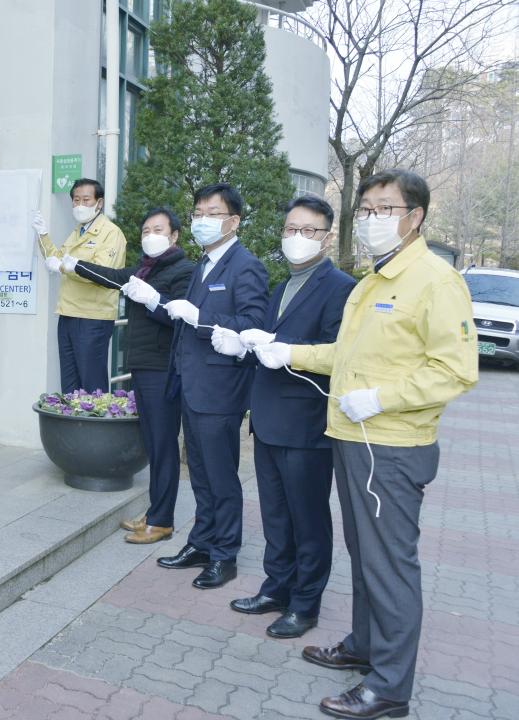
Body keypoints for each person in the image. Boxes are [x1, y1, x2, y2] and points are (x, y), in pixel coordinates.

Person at [255, 170, 478, 719]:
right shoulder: (374, 280)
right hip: (354, 438)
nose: (373, 218)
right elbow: (345, 355)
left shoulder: (435, 281)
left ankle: (389, 688)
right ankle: (364, 645)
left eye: (385, 208)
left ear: (414, 217)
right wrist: (288, 352)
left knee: (390, 565)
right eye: (368, 209)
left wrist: (381, 398)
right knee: (365, 556)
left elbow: (456, 370)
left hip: (391, 447)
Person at [211, 196, 355, 638]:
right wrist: (244, 345)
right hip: (270, 420)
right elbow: (271, 344)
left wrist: (286, 350)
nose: (297, 237)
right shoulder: (282, 286)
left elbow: (340, 353)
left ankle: (305, 604)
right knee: (276, 515)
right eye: (291, 229)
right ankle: (276, 587)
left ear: (326, 238)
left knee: (307, 519)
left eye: (308, 230)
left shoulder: (340, 288)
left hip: (306, 425)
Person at [156, 182, 268, 590]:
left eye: (213, 213)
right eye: (198, 213)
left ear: (233, 221)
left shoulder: (246, 265)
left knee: (221, 476)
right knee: (201, 474)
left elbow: (253, 323)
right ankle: (202, 542)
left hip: (220, 390)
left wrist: (200, 317)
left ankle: (225, 554)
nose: (202, 220)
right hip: (191, 384)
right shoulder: (203, 263)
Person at [64, 207, 194, 544]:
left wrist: (154, 301)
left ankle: (162, 521)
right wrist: (75, 265)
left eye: (158, 230)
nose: (150, 235)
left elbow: (180, 319)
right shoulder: (144, 269)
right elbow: (112, 276)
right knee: (152, 442)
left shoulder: (183, 271)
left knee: (163, 444)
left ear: (175, 235)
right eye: (146, 230)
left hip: (163, 368)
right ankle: (155, 511)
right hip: (142, 366)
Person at [32, 178, 127, 394]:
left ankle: (97, 418)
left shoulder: (111, 233)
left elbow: (101, 273)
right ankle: (72, 417)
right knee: (70, 384)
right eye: (76, 200)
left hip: (93, 318)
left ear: (99, 203)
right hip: (68, 314)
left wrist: (63, 267)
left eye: (86, 200)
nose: (80, 205)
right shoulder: (78, 231)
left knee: (92, 384)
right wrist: (42, 235)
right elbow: (56, 259)